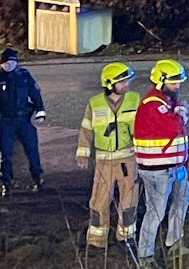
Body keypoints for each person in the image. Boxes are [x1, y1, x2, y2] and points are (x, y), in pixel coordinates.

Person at [135, 58, 189, 269]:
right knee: (156, 212)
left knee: (184, 196)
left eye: (179, 82)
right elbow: (174, 127)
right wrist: (182, 111)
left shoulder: (166, 101)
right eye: (173, 82)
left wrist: (178, 108)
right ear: (160, 81)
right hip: (157, 170)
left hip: (174, 167)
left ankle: (174, 242)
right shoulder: (152, 104)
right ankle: (145, 257)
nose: (177, 86)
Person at [77, 62, 140, 249]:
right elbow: (86, 129)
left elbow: (141, 128)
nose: (126, 84)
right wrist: (83, 154)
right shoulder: (94, 103)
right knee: (99, 200)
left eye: (127, 80)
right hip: (104, 161)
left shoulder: (134, 100)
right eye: (122, 82)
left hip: (128, 160)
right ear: (109, 83)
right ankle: (97, 240)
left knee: (129, 200)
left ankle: (126, 236)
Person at [0, 47, 47, 196]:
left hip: (23, 120)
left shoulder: (24, 76)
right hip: (5, 121)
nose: (8, 66)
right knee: (5, 153)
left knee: (32, 150)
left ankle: (38, 178)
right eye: (5, 63)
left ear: (16, 63)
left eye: (11, 63)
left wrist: (40, 110)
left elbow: (35, 93)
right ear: (1, 64)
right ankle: (6, 183)